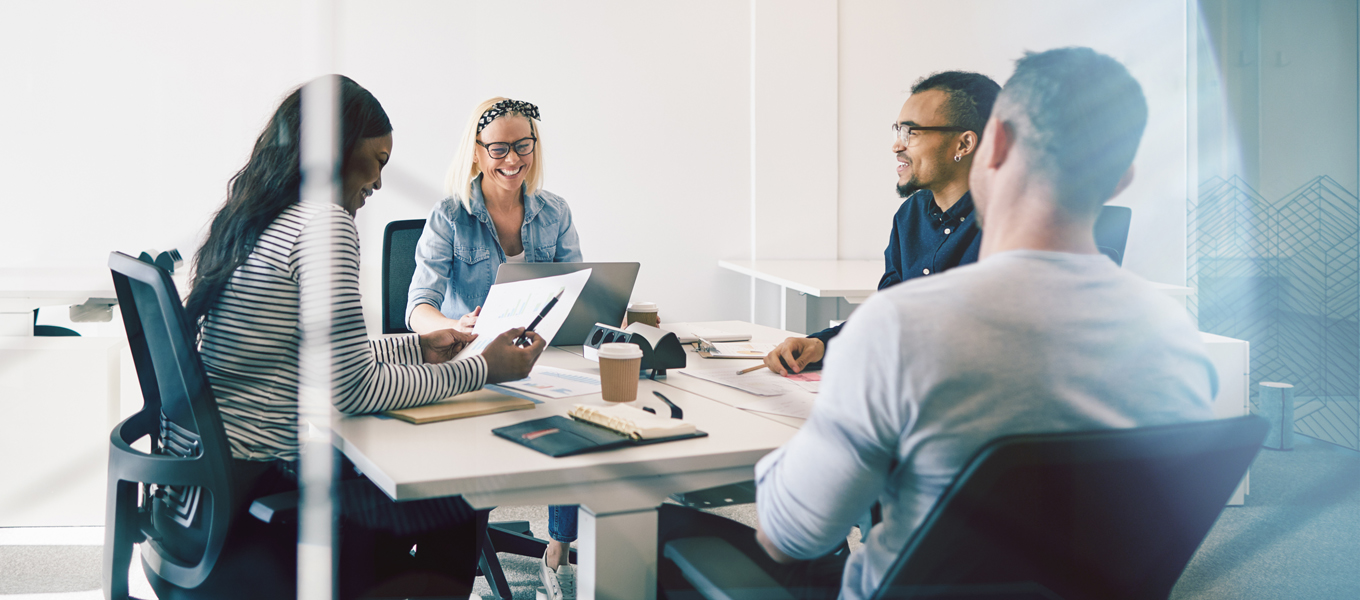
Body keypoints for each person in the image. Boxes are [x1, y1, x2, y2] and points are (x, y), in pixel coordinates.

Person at [670, 48, 1220, 600]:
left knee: (672, 532)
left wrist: (836, 432)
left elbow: (790, 536)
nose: (898, 143)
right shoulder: (1179, 344)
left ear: (989, 145)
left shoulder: (899, 330)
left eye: (909, 131)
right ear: (1122, 180)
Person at [183, 75, 546, 599]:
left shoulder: (256, 219)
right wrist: (486, 367)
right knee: (461, 493)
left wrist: (420, 347)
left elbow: (321, 355)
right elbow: (353, 389)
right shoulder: (324, 226)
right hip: (268, 504)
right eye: (377, 161)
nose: (377, 182)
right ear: (336, 149)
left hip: (213, 496)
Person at [404, 97, 582, 600]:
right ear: (477, 152)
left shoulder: (554, 212)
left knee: (581, 421)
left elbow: (576, 289)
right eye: (499, 148)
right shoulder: (449, 216)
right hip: (475, 364)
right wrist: (453, 324)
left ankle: (560, 547)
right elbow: (418, 307)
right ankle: (462, 540)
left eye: (523, 145)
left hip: (542, 359)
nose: (513, 159)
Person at [763, 71, 1001, 376]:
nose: (897, 146)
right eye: (898, 131)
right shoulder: (910, 215)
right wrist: (821, 345)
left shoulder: (1011, 225)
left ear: (964, 144)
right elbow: (888, 317)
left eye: (911, 133)